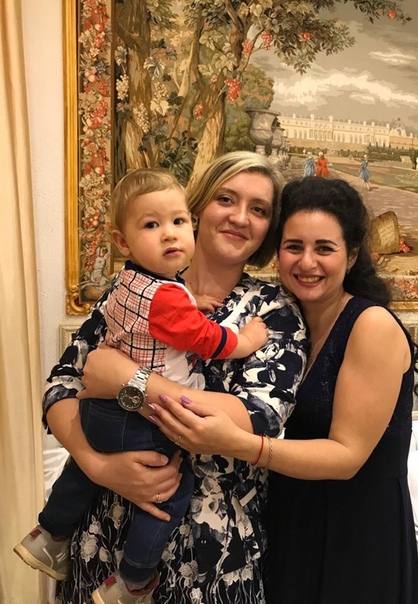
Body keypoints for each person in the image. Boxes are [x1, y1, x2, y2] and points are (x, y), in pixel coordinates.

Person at [40, 151, 307, 604]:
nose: (241, 217)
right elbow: (62, 384)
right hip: (104, 537)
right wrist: (97, 465)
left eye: (259, 209)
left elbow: (254, 418)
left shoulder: (273, 312)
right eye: (227, 199)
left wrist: (128, 380)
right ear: (197, 207)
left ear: (268, 227)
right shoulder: (137, 285)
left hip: (212, 555)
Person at [151, 176, 418, 603]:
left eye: (324, 248)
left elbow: (347, 456)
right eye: (294, 246)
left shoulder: (370, 325)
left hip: (356, 532)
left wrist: (238, 443)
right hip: (291, 516)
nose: (307, 262)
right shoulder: (287, 319)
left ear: (351, 256)